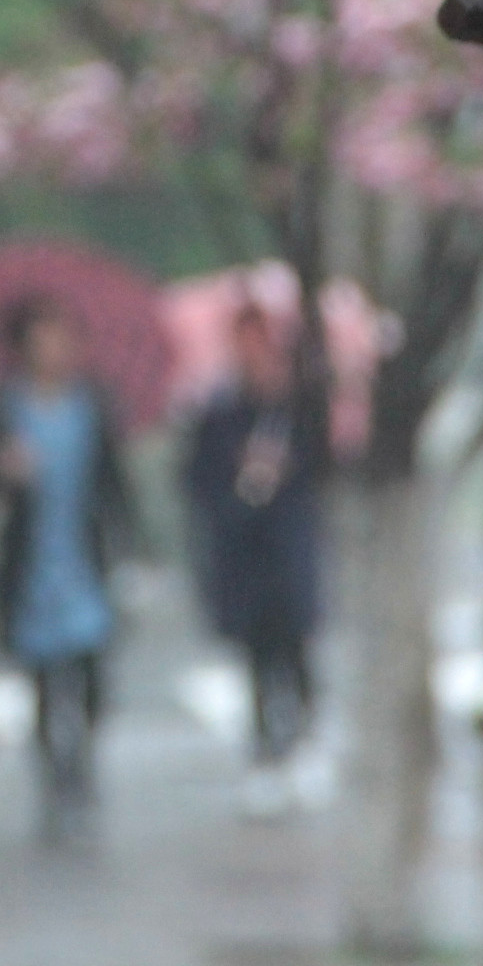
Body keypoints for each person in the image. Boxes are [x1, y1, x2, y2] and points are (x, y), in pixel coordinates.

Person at [0, 296, 135, 838]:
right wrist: (3, 467)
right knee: (42, 678)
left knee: (88, 673)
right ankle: (53, 780)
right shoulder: (5, 410)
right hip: (30, 561)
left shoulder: (92, 405)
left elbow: (114, 483)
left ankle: (81, 765)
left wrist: (127, 546)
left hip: (82, 558)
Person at [183, 303, 329, 808]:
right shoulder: (220, 414)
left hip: (290, 553)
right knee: (257, 660)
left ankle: (305, 741)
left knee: (297, 651)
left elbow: (327, 472)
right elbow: (197, 482)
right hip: (243, 557)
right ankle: (265, 751)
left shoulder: (300, 411)